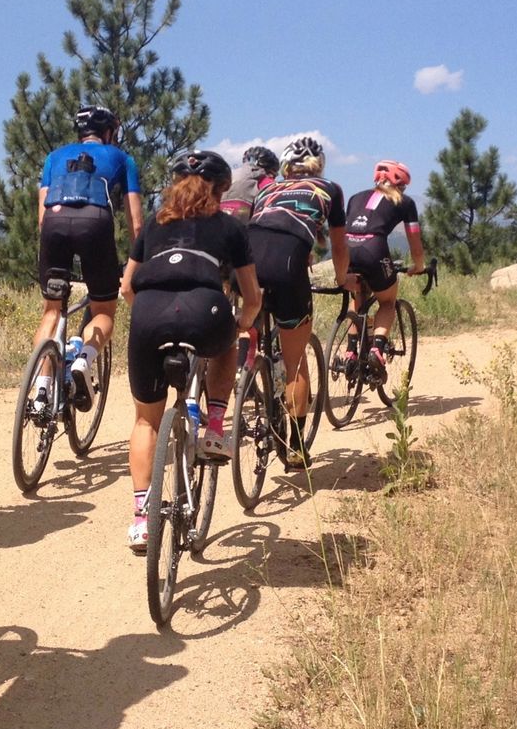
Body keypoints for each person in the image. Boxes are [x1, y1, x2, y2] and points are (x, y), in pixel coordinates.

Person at [120, 150, 261, 554]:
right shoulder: (230, 228)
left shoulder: (153, 224)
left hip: (149, 315)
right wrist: (242, 323)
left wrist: (153, 319)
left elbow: (127, 288)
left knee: (146, 422)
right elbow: (251, 297)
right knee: (228, 340)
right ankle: (215, 427)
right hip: (205, 309)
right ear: (221, 189)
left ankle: (142, 520)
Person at [246, 134, 349, 471]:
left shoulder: (267, 189)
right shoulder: (329, 189)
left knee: (253, 319)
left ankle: (247, 371)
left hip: (248, 260)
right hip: (287, 265)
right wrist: (341, 278)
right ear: (318, 166)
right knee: (295, 362)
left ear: (286, 166)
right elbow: (338, 247)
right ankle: (296, 447)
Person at [33, 105, 143, 411]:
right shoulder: (121, 158)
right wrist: (138, 265)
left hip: (54, 224)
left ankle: (41, 390)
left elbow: (42, 215)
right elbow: (135, 222)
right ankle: (85, 358)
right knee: (104, 310)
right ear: (108, 133)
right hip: (95, 223)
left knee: (51, 311)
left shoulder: (54, 157)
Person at [343, 160, 426, 383]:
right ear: (400, 185)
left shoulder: (355, 197)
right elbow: (414, 241)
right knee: (387, 301)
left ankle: (350, 352)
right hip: (374, 249)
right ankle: (377, 349)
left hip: (346, 248)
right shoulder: (405, 202)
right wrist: (419, 266)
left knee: (358, 295)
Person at [220, 145, 279, 223]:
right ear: (270, 171)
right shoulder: (264, 180)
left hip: (217, 223)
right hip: (244, 227)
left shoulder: (229, 175)